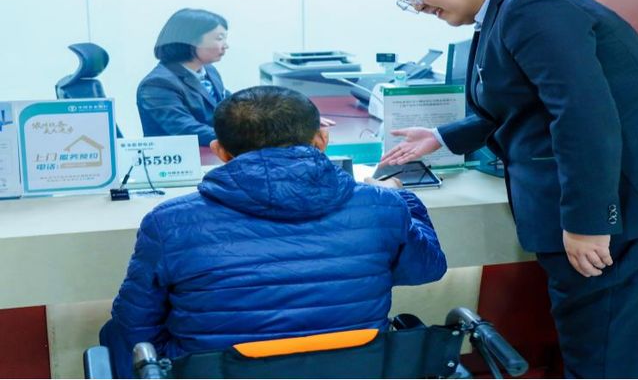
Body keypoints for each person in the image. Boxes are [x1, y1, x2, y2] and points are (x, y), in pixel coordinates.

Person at [380, 0, 638, 378]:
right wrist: (442, 137)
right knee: (594, 343)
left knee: (607, 352)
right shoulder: (503, 11)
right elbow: (519, 103)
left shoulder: (533, 6)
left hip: (616, 215)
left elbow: (583, 115)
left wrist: (589, 222)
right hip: (585, 211)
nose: (416, 6)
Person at [101, 85, 447, 378]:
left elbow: (135, 326)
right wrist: (402, 198)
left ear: (220, 151)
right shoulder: (380, 205)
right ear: (322, 139)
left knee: (113, 333)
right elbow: (426, 269)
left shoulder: (168, 221)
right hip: (353, 371)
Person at [137, 8, 231, 146]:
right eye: (219, 38)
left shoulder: (209, 70)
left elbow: (231, 105)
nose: (226, 46)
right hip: (181, 156)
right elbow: (186, 130)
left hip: (214, 152)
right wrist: (240, 136)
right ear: (191, 41)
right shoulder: (157, 84)